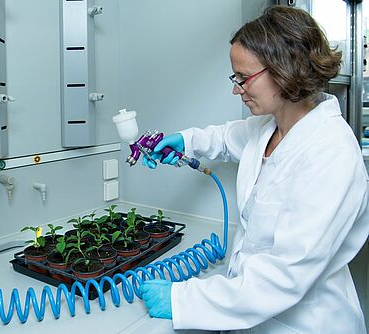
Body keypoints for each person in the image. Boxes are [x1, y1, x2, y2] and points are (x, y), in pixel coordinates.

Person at [139, 5, 369, 333]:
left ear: (285, 68)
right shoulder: (268, 128)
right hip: (250, 311)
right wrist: (184, 141)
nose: (236, 89)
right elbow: (225, 136)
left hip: (304, 322)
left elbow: (284, 276)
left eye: (244, 78)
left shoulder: (331, 154)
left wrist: (184, 300)